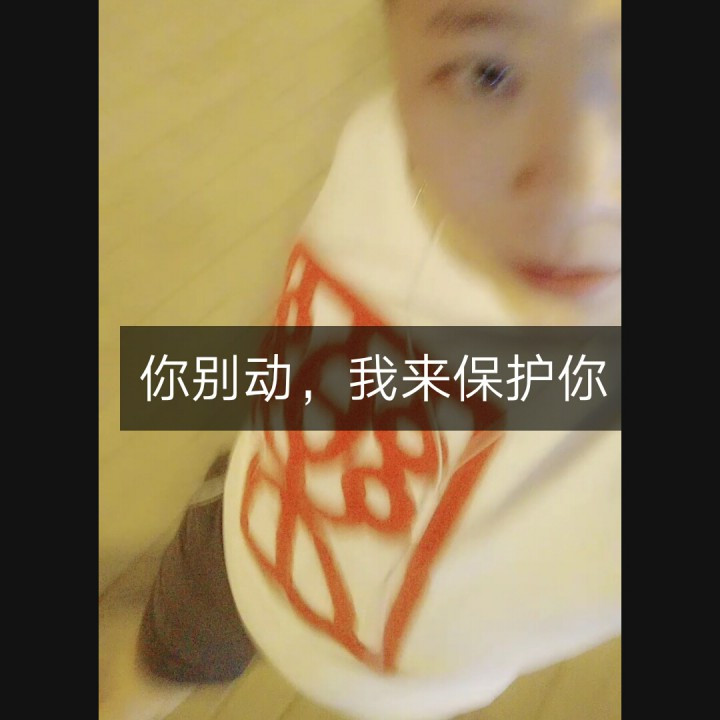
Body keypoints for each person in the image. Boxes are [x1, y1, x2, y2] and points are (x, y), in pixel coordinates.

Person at [101, 1, 621, 718]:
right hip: (252, 517)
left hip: (408, 675)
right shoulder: (377, 146)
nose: (577, 191)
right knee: (163, 658)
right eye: (488, 74)